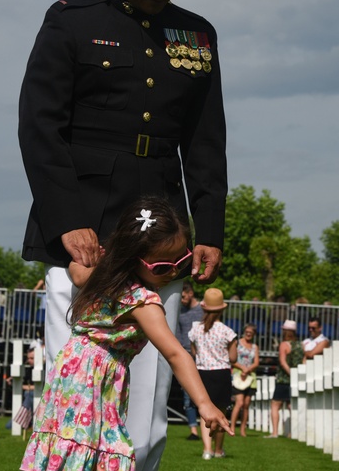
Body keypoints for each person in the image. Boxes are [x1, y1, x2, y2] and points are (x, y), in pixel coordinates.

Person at [19, 0, 226, 471]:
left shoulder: (197, 36)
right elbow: (40, 128)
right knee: (77, 385)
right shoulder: (70, 21)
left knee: (149, 401)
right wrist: (66, 220)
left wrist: (209, 229)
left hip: (159, 236)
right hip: (81, 230)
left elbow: (205, 143)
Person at [21, 198, 232, 471]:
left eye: (181, 263)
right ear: (134, 257)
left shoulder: (102, 276)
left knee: (73, 446)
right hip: (91, 383)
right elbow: (175, 353)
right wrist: (204, 404)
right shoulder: (143, 303)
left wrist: (101, 257)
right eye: (161, 267)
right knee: (95, 446)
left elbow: (77, 270)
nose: (171, 273)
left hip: (71, 372)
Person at [188, 288, 237, 460]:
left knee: (205, 413)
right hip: (221, 374)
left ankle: (206, 450)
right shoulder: (227, 331)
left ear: (204, 308)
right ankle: (218, 450)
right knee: (221, 413)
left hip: (202, 373)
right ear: (222, 309)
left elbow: (194, 353)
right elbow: (233, 357)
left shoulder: (195, 330)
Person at [174, 281, 203, 440]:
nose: (182, 299)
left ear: (191, 292)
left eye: (184, 296)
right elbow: (177, 334)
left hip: (203, 356)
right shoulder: (180, 312)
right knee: (188, 394)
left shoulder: (203, 310)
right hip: (186, 355)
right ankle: (194, 431)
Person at [269, 319, 305, 438]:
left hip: (284, 379)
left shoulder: (284, 344)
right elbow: (304, 361)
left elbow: (283, 361)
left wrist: (290, 373)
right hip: (297, 379)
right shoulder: (301, 345)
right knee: (291, 405)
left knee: (275, 405)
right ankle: (293, 432)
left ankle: (275, 432)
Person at [230, 323, 260, 437]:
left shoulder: (254, 347)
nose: (248, 334)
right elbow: (232, 359)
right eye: (247, 332)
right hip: (238, 374)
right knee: (239, 402)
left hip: (250, 376)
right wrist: (242, 368)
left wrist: (248, 370)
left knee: (246, 404)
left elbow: (256, 362)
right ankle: (232, 426)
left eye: (251, 333)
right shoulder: (237, 343)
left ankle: (243, 429)